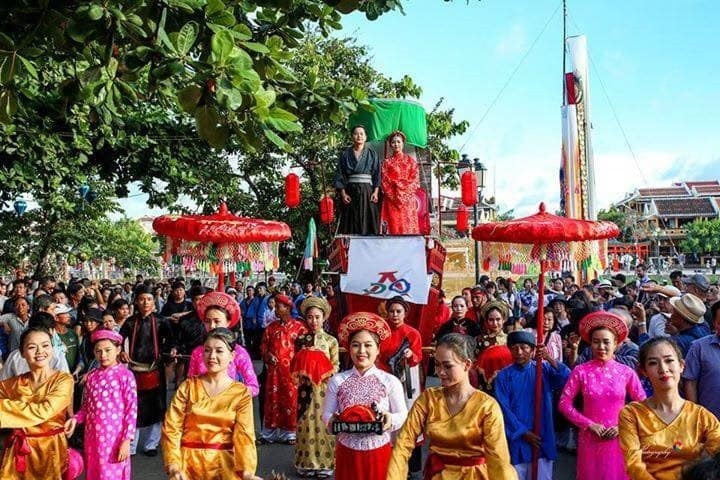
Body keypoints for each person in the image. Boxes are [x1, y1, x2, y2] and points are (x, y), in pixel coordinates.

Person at [387, 333, 516, 479]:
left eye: (448, 366)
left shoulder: (486, 406)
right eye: (437, 364)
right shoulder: (428, 399)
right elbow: (403, 443)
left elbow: (498, 459)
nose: (440, 372)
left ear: (467, 364)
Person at [559, 311, 647, 480]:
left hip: (620, 439)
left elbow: (643, 405)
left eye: (606, 342)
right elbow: (564, 403)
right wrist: (588, 424)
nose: (601, 347)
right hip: (589, 439)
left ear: (616, 344)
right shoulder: (580, 371)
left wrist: (622, 427)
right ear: (590, 344)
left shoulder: (626, 372)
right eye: (596, 342)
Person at [162, 328, 259, 480]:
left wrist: (247, 471)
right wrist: (173, 465)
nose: (212, 356)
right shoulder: (188, 387)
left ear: (232, 356)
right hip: (187, 467)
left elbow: (244, 435)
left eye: (219, 351)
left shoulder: (240, 393)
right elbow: (171, 428)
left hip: (225, 466)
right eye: (207, 350)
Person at [619, 337, 720, 480]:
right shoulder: (632, 414)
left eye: (669, 360)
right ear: (644, 371)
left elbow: (715, 456)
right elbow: (634, 465)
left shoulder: (702, 417)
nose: (663, 369)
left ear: (681, 365)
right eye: (653, 363)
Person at [322, 312, 407, 480]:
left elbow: (403, 415)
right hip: (347, 453)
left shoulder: (390, 381)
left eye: (368, 345)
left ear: (378, 349)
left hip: (378, 452)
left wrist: (390, 419)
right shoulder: (337, 381)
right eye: (355, 345)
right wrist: (331, 420)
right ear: (348, 349)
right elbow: (326, 413)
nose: (361, 351)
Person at [0, 325, 74, 479]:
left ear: (52, 348)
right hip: (19, 450)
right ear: (22, 353)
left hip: (50, 450)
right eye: (32, 347)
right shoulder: (13, 383)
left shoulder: (63, 380)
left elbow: (44, 411)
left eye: (45, 345)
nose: (40, 351)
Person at [494, 331, 570, 480]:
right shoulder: (503, 376)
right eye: (515, 348)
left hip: (542, 435)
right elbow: (503, 409)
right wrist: (522, 432)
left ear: (533, 350)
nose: (519, 352)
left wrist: (548, 358)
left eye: (524, 347)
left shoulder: (543, 370)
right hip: (517, 438)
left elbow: (567, 377)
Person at [65, 329, 137, 480]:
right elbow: (85, 408)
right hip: (92, 439)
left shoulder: (125, 376)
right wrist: (74, 419)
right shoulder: (91, 377)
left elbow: (131, 411)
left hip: (114, 440)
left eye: (107, 350)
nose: (103, 355)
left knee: (112, 474)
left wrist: (126, 440)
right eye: (98, 351)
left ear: (118, 350)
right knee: (94, 473)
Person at [120, 284, 177, 457]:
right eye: (142, 299)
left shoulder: (161, 321)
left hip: (155, 369)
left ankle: (151, 444)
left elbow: (172, 341)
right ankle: (131, 445)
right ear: (136, 301)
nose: (146, 302)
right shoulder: (130, 322)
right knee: (134, 407)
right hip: (135, 371)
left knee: (157, 407)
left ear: (154, 302)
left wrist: (172, 350)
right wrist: (121, 351)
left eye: (149, 299)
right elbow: (118, 340)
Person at [291, 297, 339, 478]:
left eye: (317, 317)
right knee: (306, 424)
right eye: (310, 317)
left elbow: (336, 365)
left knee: (324, 423)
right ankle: (306, 462)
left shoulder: (331, 341)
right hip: (305, 389)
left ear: (324, 317)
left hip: (325, 389)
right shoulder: (300, 340)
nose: (314, 321)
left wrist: (323, 372)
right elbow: (295, 364)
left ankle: (326, 463)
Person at [376, 296, 424, 474]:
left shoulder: (413, 333)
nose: (395, 315)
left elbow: (418, 357)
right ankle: (386, 462)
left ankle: (410, 467)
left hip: (407, 381)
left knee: (408, 419)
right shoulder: (382, 333)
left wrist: (411, 355)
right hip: (385, 380)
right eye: (391, 311)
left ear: (405, 313)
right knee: (386, 416)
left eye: (398, 311)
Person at [185, 292, 258, 396]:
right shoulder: (197, 352)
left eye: (217, 321)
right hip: (202, 408)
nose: (212, 326)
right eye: (207, 321)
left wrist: (230, 395)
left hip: (230, 409)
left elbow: (253, 387)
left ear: (228, 322)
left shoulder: (239, 352)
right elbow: (190, 384)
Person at [259, 294, 308, 444]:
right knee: (272, 400)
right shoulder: (271, 328)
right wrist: (268, 355)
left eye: (278, 306)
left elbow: (305, 348)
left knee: (291, 399)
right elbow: (263, 346)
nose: (275, 309)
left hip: (292, 372)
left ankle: (290, 433)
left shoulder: (299, 327)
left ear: (287, 308)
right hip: (274, 372)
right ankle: (270, 433)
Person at [334, 124, 381, 235]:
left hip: (367, 191)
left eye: (361, 134)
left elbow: (377, 174)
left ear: (365, 137)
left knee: (368, 220)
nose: (359, 136)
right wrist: (343, 194)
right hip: (351, 191)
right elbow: (340, 174)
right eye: (356, 134)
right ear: (352, 136)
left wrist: (376, 192)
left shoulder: (372, 154)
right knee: (350, 221)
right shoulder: (345, 154)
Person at [682, 300, 720, 420]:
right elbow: (690, 383)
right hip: (709, 421)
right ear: (715, 323)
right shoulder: (699, 347)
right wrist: (695, 416)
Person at [380, 130, 420, 235]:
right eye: (393, 142)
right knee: (392, 227)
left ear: (403, 143)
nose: (396, 144)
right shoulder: (386, 162)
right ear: (390, 145)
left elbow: (415, 180)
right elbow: (384, 181)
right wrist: (395, 194)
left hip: (408, 201)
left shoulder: (411, 162)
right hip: (391, 201)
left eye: (398, 142)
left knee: (408, 228)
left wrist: (402, 191)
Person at [474, 301, 513, 392]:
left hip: (507, 381)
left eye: (498, 319)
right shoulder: (479, 340)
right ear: (486, 321)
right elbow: (473, 361)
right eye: (491, 320)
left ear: (504, 319)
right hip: (485, 383)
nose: (495, 323)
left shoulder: (510, 340)